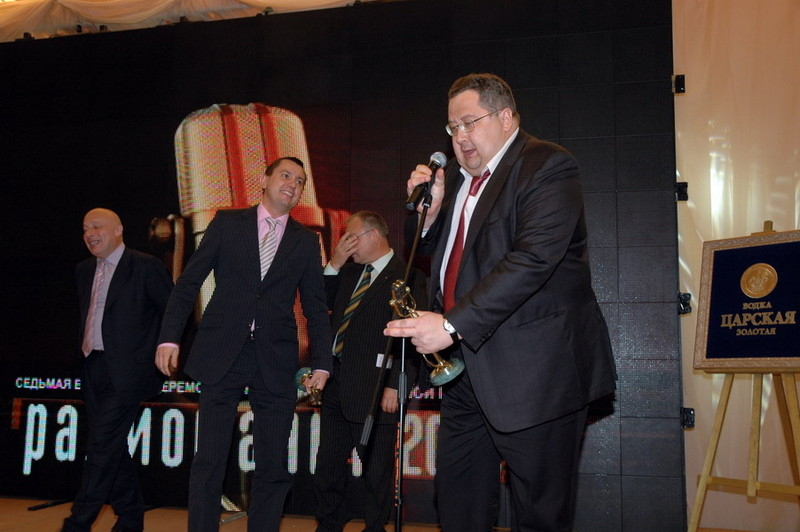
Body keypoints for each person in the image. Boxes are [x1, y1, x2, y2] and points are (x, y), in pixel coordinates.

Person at [384, 73, 617, 532]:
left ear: (506, 117)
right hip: (466, 373)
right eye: (453, 127)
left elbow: (533, 260)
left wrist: (448, 325)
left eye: (469, 122)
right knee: (458, 505)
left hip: (536, 375)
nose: (460, 137)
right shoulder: (458, 184)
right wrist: (430, 214)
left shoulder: (547, 164)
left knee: (539, 515)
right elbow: (430, 253)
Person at [155, 156, 332, 532]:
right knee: (209, 460)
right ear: (264, 181)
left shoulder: (306, 241)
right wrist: (169, 336)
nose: (292, 184)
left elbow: (316, 307)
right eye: (285, 175)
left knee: (273, 465)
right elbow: (189, 282)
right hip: (222, 351)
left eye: (300, 181)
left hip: (276, 358)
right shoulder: (227, 223)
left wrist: (321, 362)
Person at [314, 211, 427, 532]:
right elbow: (319, 301)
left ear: (374, 235)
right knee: (328, 468)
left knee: (376, 472)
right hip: (336, 384)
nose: (347, 244)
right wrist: (334, 263)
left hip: (375, 388)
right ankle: (328, 525)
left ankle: (375, 527)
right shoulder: (349, 273)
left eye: (352, 237)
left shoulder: (407, 276)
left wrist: (396, 384)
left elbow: (413, 335)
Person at [62, 208, 173, 532]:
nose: (89, 234)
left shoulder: (146, 266)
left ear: (118, 229)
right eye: (85, 228)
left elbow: (173, 313)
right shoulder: (84, 270)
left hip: (128, 373)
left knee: (100, 447)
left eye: (97, 226)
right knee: (110, 447)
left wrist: (156, 354)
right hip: (92, 367)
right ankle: (130, 517)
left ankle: (77, 523)